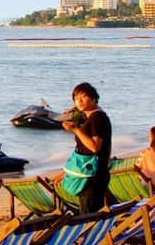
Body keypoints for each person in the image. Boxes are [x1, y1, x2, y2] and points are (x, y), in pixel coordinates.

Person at [62, 82, 112, 212]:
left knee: (88, 216)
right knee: (90, 212)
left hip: (92, 176)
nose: (79, 101)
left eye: (83, 97)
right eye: (76, 98)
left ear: (94, 98)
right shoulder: (95, 115)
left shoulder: (97, 118)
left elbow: (94, 147)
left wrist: (75, 129)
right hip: (91, 173)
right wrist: (76, 109)